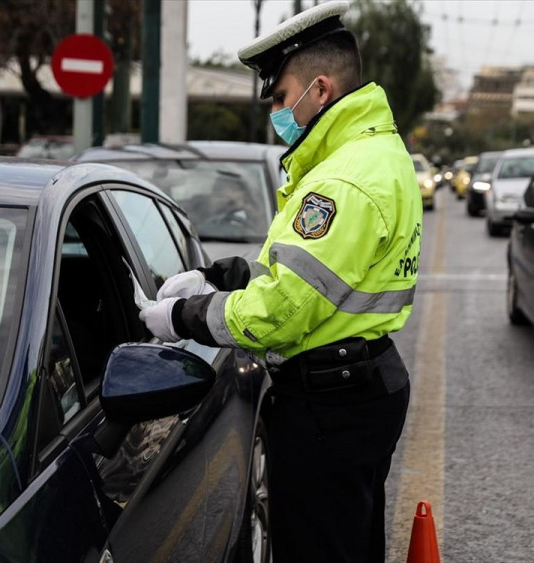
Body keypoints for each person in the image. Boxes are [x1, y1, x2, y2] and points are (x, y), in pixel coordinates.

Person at [139, 1, 421, 561]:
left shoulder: (344, 180)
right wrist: (218, 275)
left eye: (278, 95)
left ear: (319, 89)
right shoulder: (366, 156)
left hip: (329, 406)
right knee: (345, 541)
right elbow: (313, 277)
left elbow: (279, 313)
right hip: (353, 387)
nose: (275, 110)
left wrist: (180, 317)